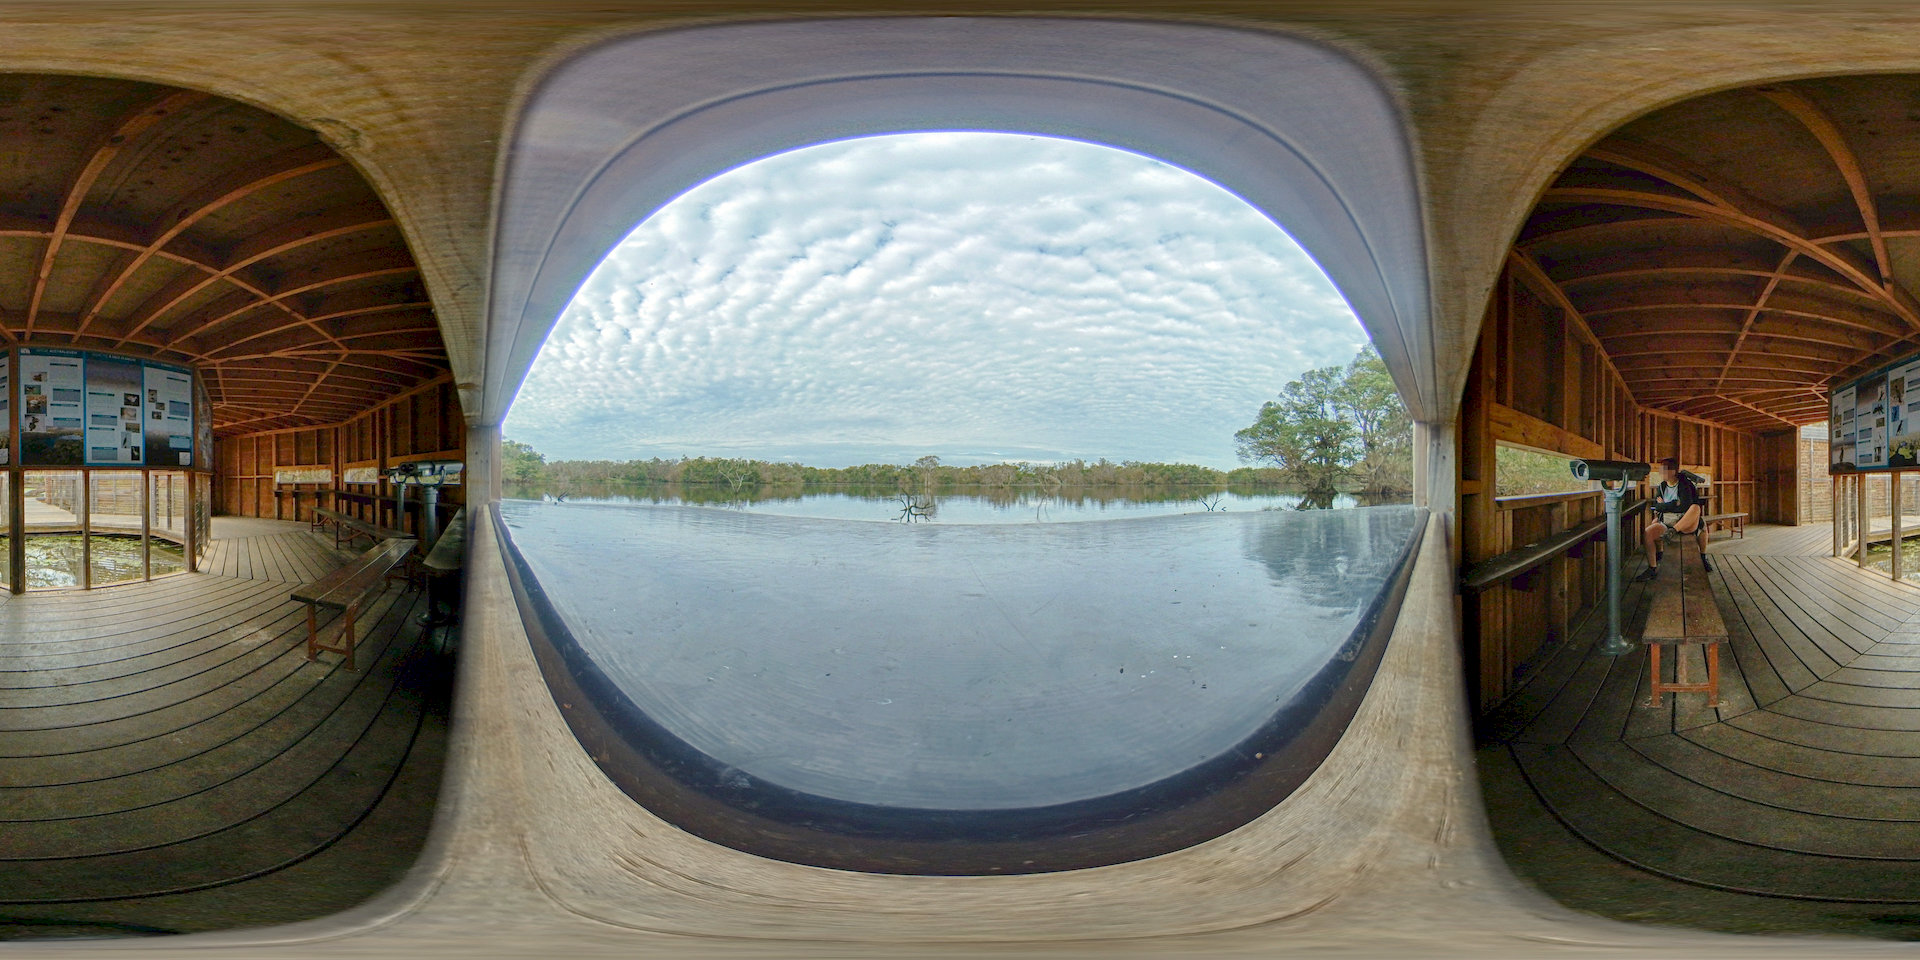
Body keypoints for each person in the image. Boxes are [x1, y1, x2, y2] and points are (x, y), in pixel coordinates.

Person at [1632, 457, 1710, 581]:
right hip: (1666, 521)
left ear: (1673, 471)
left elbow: (1686, 505)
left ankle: (1702, 556)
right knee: (1648, 532)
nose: (1661, 473)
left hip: (1685, 522)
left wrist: (1665, 506)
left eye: (1664, 470)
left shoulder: (1685, 484)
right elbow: (1657, 506)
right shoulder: (1662, 486)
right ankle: (1652, 568)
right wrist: (1674, 504)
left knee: (1696, 508)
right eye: (1661, 470)